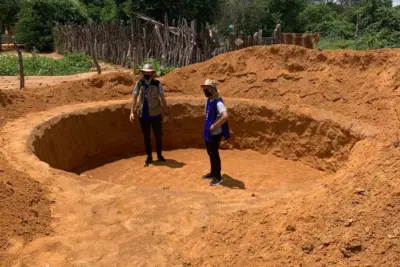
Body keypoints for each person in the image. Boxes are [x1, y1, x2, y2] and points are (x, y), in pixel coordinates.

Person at [130, 63, 169, 165]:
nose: (147, 74)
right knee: (146, 137)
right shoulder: (139, 84)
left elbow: (163, 99)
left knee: (158, 135)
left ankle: (159, 155)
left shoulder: (157, 84)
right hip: (143, 115)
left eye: (149, 72)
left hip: (155, 114)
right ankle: (149, 156)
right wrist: (132, 112)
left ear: (152, 73)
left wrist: (166, 113)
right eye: (145, 72)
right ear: (142, 73)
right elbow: (134, 97)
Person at [201, 79, 230, 186]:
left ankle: (218, 177)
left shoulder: (218, 103)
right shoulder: (209, 100)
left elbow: (225, 116)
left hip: (215, 133)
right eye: (204, 89)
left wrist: (214, 125)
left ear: (213, 90)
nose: (205, 91)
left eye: (207, 89)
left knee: (214, 154)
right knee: (210, 153)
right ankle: (213, 172)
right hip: (209, 132)